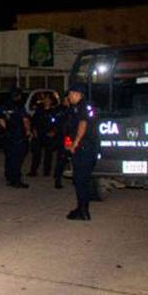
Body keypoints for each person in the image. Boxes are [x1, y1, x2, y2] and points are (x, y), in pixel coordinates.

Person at [64, 83, 99, 221]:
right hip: (89, 148)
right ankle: (81, 208)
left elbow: (82, 124)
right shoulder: (85, 106)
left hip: (84, 148)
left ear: (77, 94)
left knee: (80, 181)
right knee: (82, 180)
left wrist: (75, 143)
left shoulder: (81, 107)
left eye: (70, 94)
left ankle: (83, 212)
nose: (68, 97)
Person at [0, 87, 32, 188]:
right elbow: (25, 120)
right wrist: (28, 131)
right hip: (18, 135)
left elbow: (1, 120)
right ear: (19, 96)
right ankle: (16, 180)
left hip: (8, 136)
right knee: (18, 158)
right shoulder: (19, 106)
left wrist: (7, 130)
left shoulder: (4, 106)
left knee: (9, 157)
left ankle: (9, 177)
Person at [28, 93, 58, 177]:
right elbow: (33, 122)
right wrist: (34, 131)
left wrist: (54, 132)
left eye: (48, 99)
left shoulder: (54, 112)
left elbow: (57, 124)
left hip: (49, 135)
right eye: (45, 99)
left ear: (51, 101)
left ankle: (46, 171)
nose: (47, 101)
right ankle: (33, 170)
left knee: (48, 154)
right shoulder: (39, 110)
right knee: (36, 153)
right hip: (39, 134)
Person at [52, 93, 71, 189]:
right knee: (62, 158)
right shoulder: (59, 110)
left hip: (70, 137)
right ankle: (58, 178)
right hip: (63, 137)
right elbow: (55, 122)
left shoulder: (73, 109)